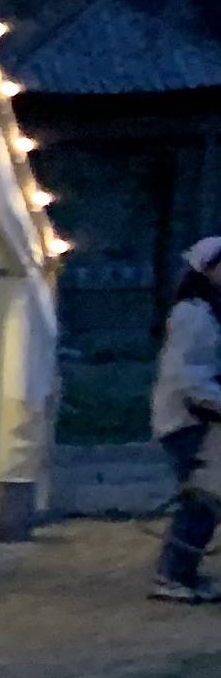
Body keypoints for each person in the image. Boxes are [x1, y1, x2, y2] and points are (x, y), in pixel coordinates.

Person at [152, 235, 221, 599]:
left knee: (206, 498)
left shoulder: (205, 311)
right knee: (200, 499)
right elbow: (189, 376)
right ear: (208, 269)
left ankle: (183, 574)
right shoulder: (194, 314)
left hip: (197, 418)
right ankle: (172, 575)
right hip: (185, 421)